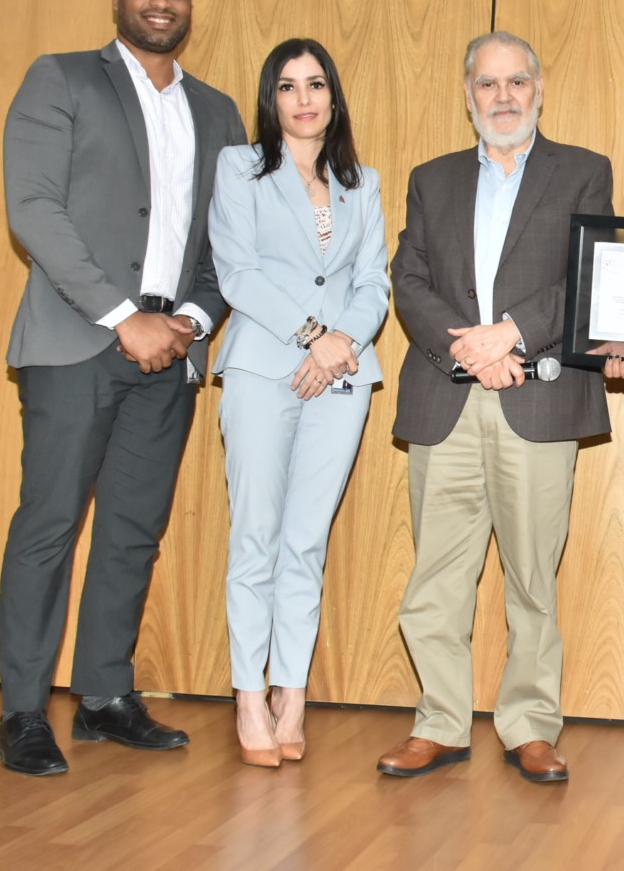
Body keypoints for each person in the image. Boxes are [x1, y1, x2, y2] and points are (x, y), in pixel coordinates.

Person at [0, 0, 246, 775]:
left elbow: (225, 247)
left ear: (190, 1)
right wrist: (118, 314)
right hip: (76, 342)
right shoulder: (60, 78)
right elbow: (34, 210)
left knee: (134, 529)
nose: (161, 2)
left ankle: (104, 696)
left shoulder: (217, 113)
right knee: (50, 526)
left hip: (168, 355)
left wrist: (193, 322)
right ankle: (23, 712)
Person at [376, 31, 612, 784]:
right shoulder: (432, 178)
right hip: (446, 397)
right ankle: (440, 721)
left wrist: (508, 335)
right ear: (468, 94)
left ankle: (529, 724)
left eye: (516, 82)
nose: (503, 97)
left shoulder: (583, 172)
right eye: (487, 84)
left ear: (538, 89)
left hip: (536, 396)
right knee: (436, 575)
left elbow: (589, 273)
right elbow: (407, 278)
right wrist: (467, 351)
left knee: (532, 577)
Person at [209, 38, 390, 767]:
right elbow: (237, 272)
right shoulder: (241, 169)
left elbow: (374, 281)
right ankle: (248, 696)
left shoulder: (364, 183)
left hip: (341, 377)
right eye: (288, 87)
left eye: (316, 84)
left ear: (333, 97)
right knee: (255, 535)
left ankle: (294, 692)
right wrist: (313, 335)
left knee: (305, 543)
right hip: (262, 368)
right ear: (271, 99)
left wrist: (339, 343)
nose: (304, 98)